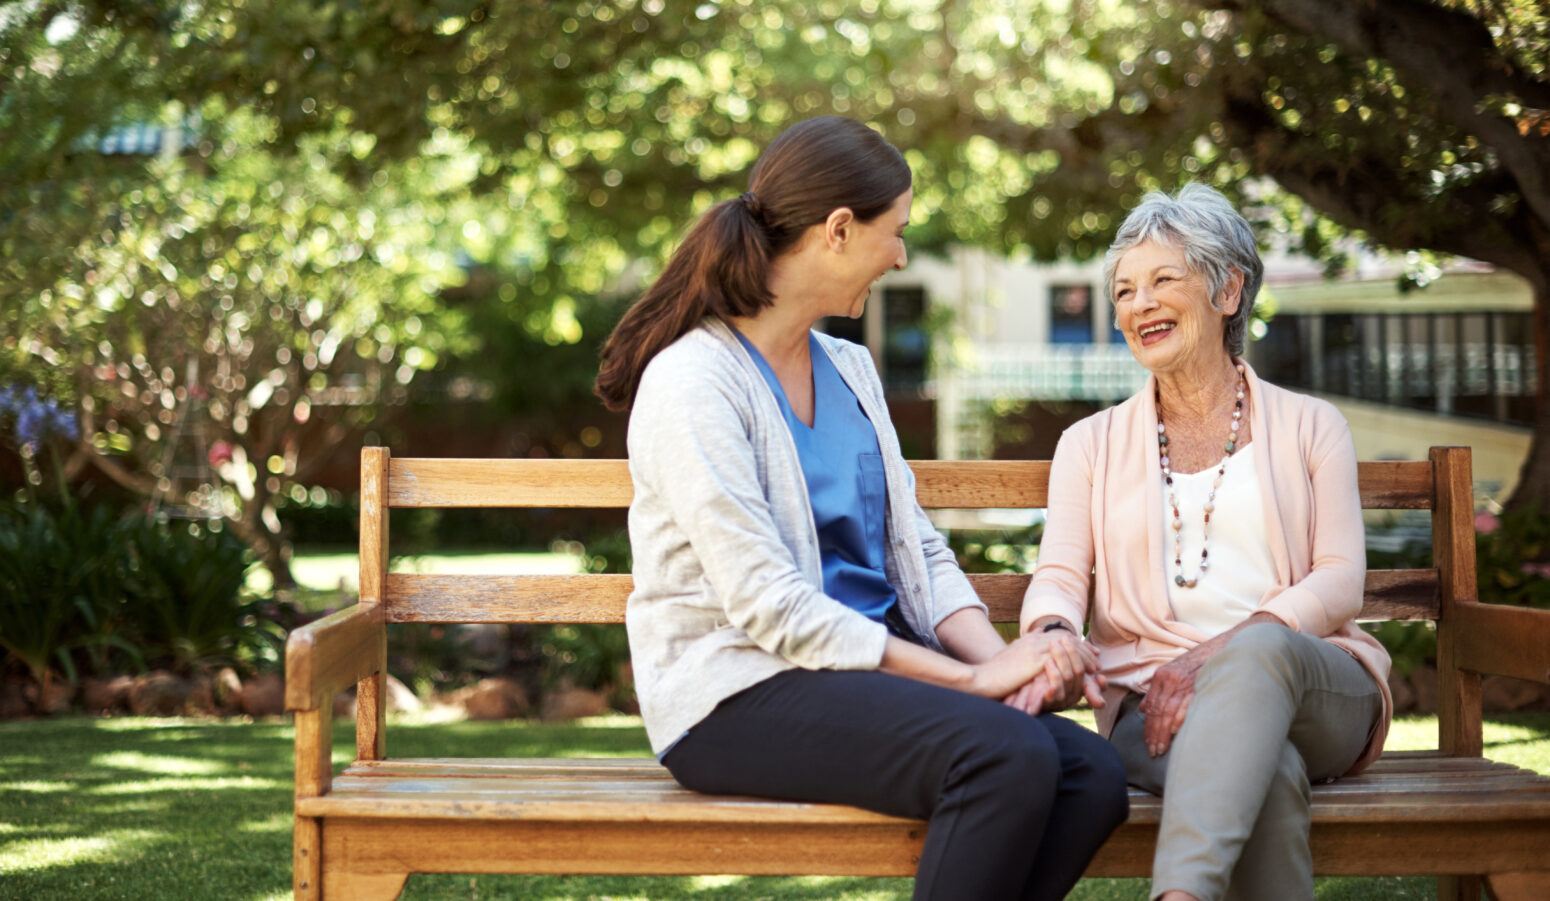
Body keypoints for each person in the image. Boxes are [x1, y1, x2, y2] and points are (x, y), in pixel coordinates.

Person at [595, 116, 1128, 901]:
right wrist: (973, 686)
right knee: (1003, 755)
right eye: (897, 232)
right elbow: (768, 606)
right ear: (838, 230)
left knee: (1092, 774)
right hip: (736, 693)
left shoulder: (848, 367)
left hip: (864, 677)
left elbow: (919, 551)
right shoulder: (694, 383)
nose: (902, 255)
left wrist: (1000, 664)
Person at [1019, 183, 1392, 901]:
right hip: (1151, 699)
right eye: (1124, 289)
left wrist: (1218, 653)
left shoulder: (1313, 425)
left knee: (1261, 648)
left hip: (1316, 683)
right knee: (1271, 773)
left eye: (1163, 280)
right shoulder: (1087, 444)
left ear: (1228, 289)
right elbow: (1059, 573)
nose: (1138, 305)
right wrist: (1056, 626)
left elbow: (1341, 577)